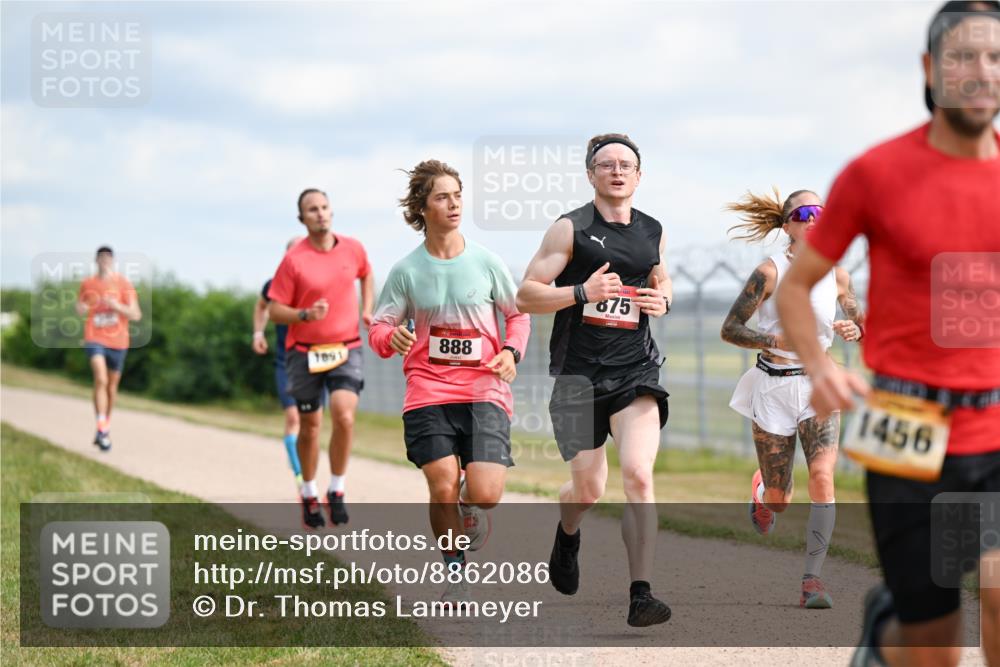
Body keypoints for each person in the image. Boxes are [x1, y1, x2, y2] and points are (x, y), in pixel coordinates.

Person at [774, 2, 1000, 665]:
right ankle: (885, 632)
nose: (980, 71)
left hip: (994, 426)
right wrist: (819, 366)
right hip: (904, 427)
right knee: (932, 645)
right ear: (931, 70)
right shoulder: (876, 174)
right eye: (962, 56)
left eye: (994, 57)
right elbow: (796, 285)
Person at [516, 133, 673, 627]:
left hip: (636, 370)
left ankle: (641, 594)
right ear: (591, 175)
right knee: (587, 490)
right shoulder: (570, 229)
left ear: (639, 175)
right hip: (577, 376)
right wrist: (582, 291)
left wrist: (662, 299)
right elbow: (525, 295)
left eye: (627, 164)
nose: (617, 171)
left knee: (639, 475)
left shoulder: (653, 230)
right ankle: (567, 536)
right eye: (607, 165)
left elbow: (660, 278)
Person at [368, 159, 530, 607]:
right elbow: (380, 329)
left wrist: (510, 352)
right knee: (440, 483)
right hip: (428, 390)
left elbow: (518, 316)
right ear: (422, 207)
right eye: (443, 196)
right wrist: (392, 336)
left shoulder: (486, 262)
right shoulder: (406, 271)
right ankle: (455, 574)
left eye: (458, 195)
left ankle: (468, 502)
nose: (454, 203)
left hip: (485, 390)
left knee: (486, 494)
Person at [720, 188, 864, 609]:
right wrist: (771, 338)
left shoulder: (837, 273)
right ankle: (763, 491)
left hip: (819, 382)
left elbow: (856, 315)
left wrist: (856, 328)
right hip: (773, 386)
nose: (815, 218)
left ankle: (812, 582)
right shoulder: (769, 272)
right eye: (804, 212)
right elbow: (730, 328)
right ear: (788, 225)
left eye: (822, 211)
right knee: (781, 501)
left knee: (822, 476)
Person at [268, 189, 375, 529]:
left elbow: (366, 273)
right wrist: (304, 315)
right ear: (302, 218)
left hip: (346, 347)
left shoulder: (352, 247)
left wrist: (367, 308)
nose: (320, 214)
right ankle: (309, 491)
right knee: (311, 427)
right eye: (312, 210)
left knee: (344, 416)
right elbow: (274, 310)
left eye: (324, 207)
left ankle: (337, 488)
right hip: (304, 354)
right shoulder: (293, 260)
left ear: (332, 211)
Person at [253, 236, 307, 487]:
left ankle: (298, 454)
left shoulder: (313, 284)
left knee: (309, 422)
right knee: (294, 418)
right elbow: (261, 306)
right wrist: (258, 333)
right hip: (286, 362)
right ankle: (299, 475)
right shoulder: (274, 285)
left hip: (314, 362)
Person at [76, 246, 142, 452]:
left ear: (112, 261)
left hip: (119, 341)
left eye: (108, 258)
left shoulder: (123, 283)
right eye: (101, 257)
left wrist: (117, 306)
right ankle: (102, 429)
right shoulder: (88, 283)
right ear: (96, 260)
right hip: (94, 337)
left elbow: (136, 314)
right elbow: (79, 308)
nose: (104, 261)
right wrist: (82, 308)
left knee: (111, 389)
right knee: (101, 379)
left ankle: (104, 427)